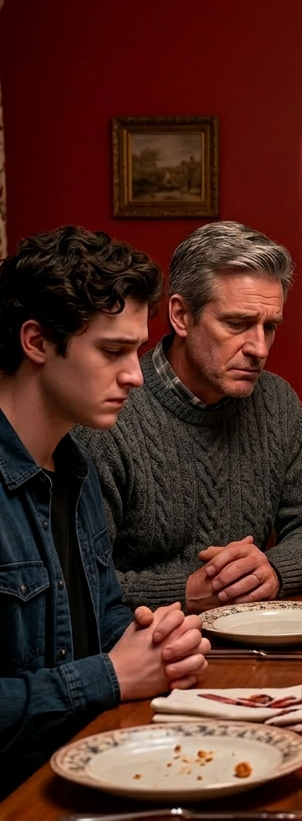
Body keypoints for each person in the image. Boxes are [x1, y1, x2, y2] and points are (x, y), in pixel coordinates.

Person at [0, 226, 209, 796]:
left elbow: (101, 615)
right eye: (112, 352)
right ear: (37, 342)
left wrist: (157, 640)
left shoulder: (76, 464)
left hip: (89, 763)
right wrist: (110, 677)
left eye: (137, 352)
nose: (136, 376)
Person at [77, 221, 302, 612]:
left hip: (256, 639)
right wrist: (185, 592)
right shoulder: (109, 410)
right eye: (237, 324)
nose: (259, 347)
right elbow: (79, 578)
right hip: (149, 646)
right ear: (181, 315)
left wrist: (271, 570)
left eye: (269, 327)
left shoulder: (275, 400)